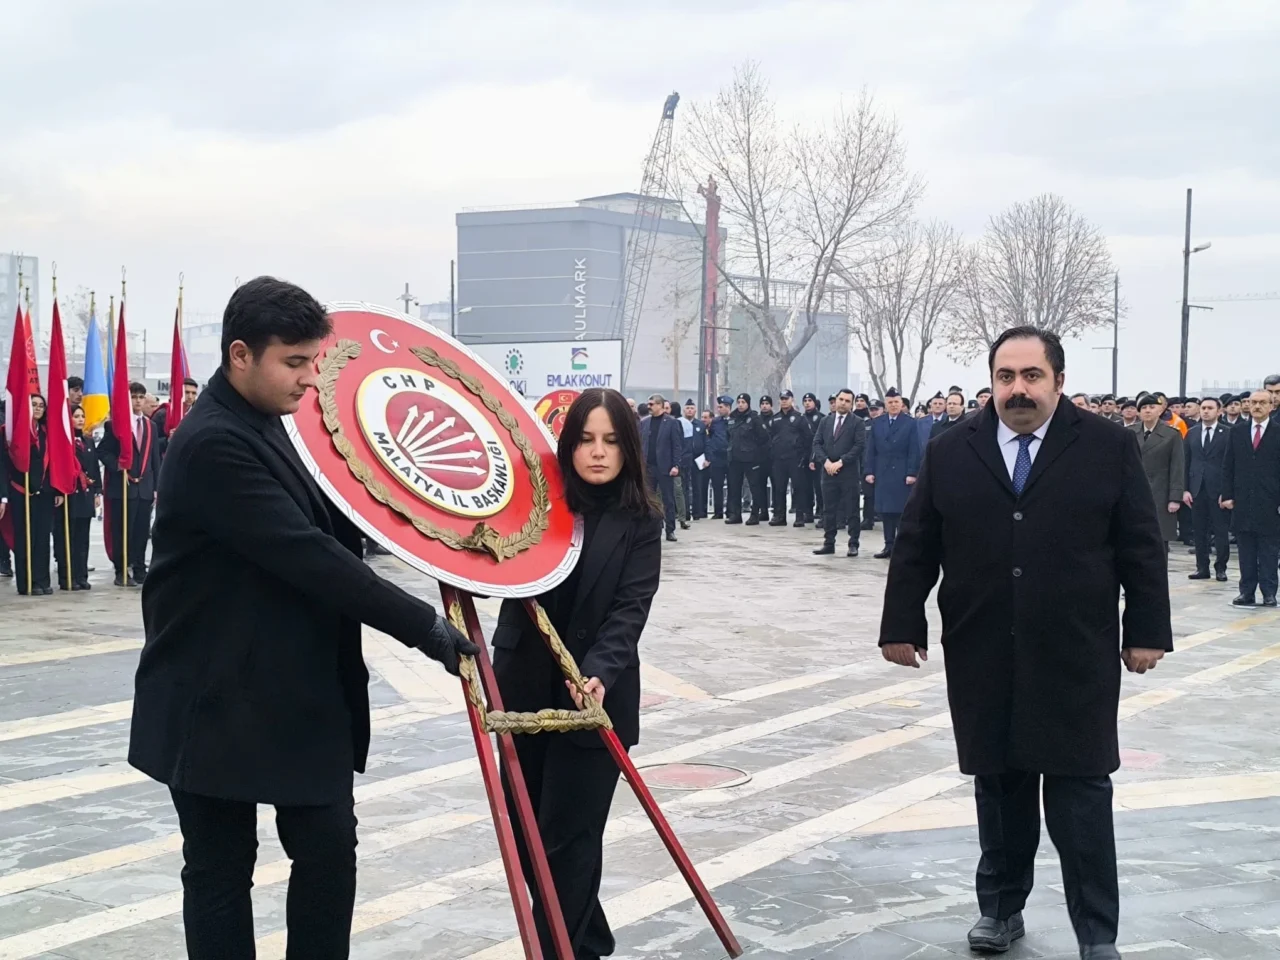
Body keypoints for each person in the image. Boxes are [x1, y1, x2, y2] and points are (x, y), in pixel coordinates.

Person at [127, 276, 476, 960]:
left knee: (326, 856)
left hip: (293, 701)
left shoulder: (275, 426)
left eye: (314, 362)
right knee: (221, 871)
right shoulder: (213, 446)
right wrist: (424, 629)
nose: (310, 379)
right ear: (239, 356)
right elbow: (309, 556)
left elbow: (346, 521)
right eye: (294, 362)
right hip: (213, 702)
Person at [879, 326, 1171, 960]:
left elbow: (1141, 547)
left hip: (1075, 652)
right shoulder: (953, 449)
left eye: (1032, 376)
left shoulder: (1107, 446)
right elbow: (918, 541)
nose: (1018, 389)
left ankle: (1097, 933)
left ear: (1059, 382)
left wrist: (1147, 630)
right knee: (1000, 787)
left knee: (1082, 795)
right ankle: (1000, 910)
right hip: (983, 648)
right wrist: (901, 623)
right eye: (1006, 377)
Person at [493, 387, 661, 960]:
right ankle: (586, 935)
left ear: (628, 449)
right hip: (522, 689)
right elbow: (492, 567)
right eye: (586, 439)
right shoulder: (536, 504)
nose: (597, 452)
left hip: (594, 699)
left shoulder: (641, 520)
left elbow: (629, 610)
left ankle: (562, 950)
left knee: (568, 836)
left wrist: (598, 672)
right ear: (568, 445)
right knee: (528, 835)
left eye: (610, 441)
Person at [98, 381, 160, 585]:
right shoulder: (115, 424)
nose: (138, 401)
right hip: (123, 487)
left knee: (142, 531)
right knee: (122, 530)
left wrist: (156, 487)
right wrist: (118, 465)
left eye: (141, 397)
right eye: (134, 397)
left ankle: (140, 567)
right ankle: (121, 570)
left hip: (144, 487)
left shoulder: (151, 426)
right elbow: (103, 451)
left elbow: (154, 459)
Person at [1221, 390, 1279, 606]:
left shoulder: (1277, 432)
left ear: (1271, 406)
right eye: (1253, 402)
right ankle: (1246, 591)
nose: (1256, 406)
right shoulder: (1237, 432)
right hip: (1242, 501)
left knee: (1268, 551)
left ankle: (1269, 592)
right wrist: (1226, 495)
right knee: (1245, 551)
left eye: (1262, 403)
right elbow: (1228, 465)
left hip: (1270, 501)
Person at [1, 394, 54, 595]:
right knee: (25, 539)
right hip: (20, 492)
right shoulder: (11, 433)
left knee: (42, 538)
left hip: (44, 493)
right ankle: (26, 582)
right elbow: (3, 466)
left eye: (41, 405)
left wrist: (56, 489)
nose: (38, 408)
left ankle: (41, 579)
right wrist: (4, 495)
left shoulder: (47, 433)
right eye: (33, 405)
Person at [864, 388, 920, 558]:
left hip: (901, 471)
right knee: (886, 511)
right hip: (882, 471)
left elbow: (914, 450)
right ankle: (888, 545)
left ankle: (901, 546)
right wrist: (869, 471)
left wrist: (912, 472)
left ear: (901, 404)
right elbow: (871, 449)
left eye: (896, 402)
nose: (894, 405)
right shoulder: (878, 422)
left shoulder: (910, 423)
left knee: (901, 512)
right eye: (890, 402)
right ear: (886, 404)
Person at [812, 389, 865, 557]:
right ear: (836, 400)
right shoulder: (825, 421)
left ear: (852, 404)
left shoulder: (857, 422)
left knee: (852, 509)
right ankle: (829, 542)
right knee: (829, 509)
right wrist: (826, 462)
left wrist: (841, 461)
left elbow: (859, 446)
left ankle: (853, 543)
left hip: (848, 472)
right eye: (841, 399)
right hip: (828, 471)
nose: (843, 403)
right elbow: (817, 443)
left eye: (847, 401)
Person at [53, 405, 101, 590]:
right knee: (68, 538)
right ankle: (67, 577)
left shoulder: (87, 441)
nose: (80, 419)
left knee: (82, 539)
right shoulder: (64, 441)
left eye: (82, 416)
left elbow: (94, 467)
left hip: (86, 495)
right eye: (76, 416)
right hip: (70, 495)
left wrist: (97, 490)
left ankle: (81, 575)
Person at [1184, 397, 1231, 582]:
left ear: (1219, 411)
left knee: (1220, 531)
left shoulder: (1227, 433)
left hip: (1218, 489)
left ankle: (1221, 567)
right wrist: (1185, 489)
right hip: (1197, 489)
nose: (1205, 411)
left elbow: (1230, 464)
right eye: (1203, 408)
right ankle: (1202, 567)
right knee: (1199, 531)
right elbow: (1186, 461)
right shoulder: (1192, 433)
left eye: (1210, 408)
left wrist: (1227, 492)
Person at [1130, 394, 1185, 549]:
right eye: (1144, 408)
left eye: (1152, 407)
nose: (1148, 411)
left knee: (1159, 540)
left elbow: (1177, 466)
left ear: (1161, 410)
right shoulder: (1129, 433)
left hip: (1160, 493)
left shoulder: (1172, 434)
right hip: (1134, 492)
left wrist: (1175, 497)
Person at [639, 393, 682, 543]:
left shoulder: (671, 422)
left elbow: (677, 445)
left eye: (651, 404)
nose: (648, 407)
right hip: (648, 466)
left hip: (665, 467)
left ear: (660, 405)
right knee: (648, 500)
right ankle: (650, 529)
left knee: (668, 499)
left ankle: (670, 530)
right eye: (648, 404)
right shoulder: (644, 423)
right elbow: (640, 444)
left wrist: (676, 465)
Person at [766, 390, 811, 527]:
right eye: (782, 398)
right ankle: (780, 516)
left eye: (787, 398)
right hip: (779, 460)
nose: (784, 401)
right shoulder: (775, 419)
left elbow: (808, 438)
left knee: (798, 488)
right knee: (779, 488)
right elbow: (770, 438)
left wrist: (805, 457)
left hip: (795, 458)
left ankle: (799, 516)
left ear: (792, 400)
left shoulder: (800, 418)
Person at [726, 393, 768, 525]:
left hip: (751, 459)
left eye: (743, 402)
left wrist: (755, 451)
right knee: (734, 488)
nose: (740, 404)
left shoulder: (754, 418)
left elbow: (764, 437)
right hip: (735, 459)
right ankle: (736, 515)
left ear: (748, 403)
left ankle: (754, 514)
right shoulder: (732, 418)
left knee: (754, 487)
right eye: (738, 402)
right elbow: (729, 437)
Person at [800, 392, 825, 526]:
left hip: (817, 458)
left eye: (810, 400)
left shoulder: (822, 418)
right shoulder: (801, 418)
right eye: (805, 401)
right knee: (806, 487)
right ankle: (808, 512)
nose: (807, 403)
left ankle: (822, 512)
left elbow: (820, 440)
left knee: (819, 487)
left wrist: (814, 458)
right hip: (803, 457)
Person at [704, 397, 731, 519]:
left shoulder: (734, 420)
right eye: (718, 407)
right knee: (717, 485)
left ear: (728, 407)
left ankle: (731, 511)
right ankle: (718, 511)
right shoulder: (715, 422)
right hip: (717, 458)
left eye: (721, 407)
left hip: (731, 458)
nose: (719, 409)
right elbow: (710, 438)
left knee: (732, 486)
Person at [681, 400, 706, 520]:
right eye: (687, 408)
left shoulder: (700, 425)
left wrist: (707, 458)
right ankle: (685, 513)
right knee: (685, 486)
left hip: (698, 458)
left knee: (697, 486)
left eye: (692, 408)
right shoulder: (680, 423)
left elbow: (706, 442)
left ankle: (697, 513)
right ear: (683, 410)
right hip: (685, 458)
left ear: (695, 410)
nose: (689, 410)